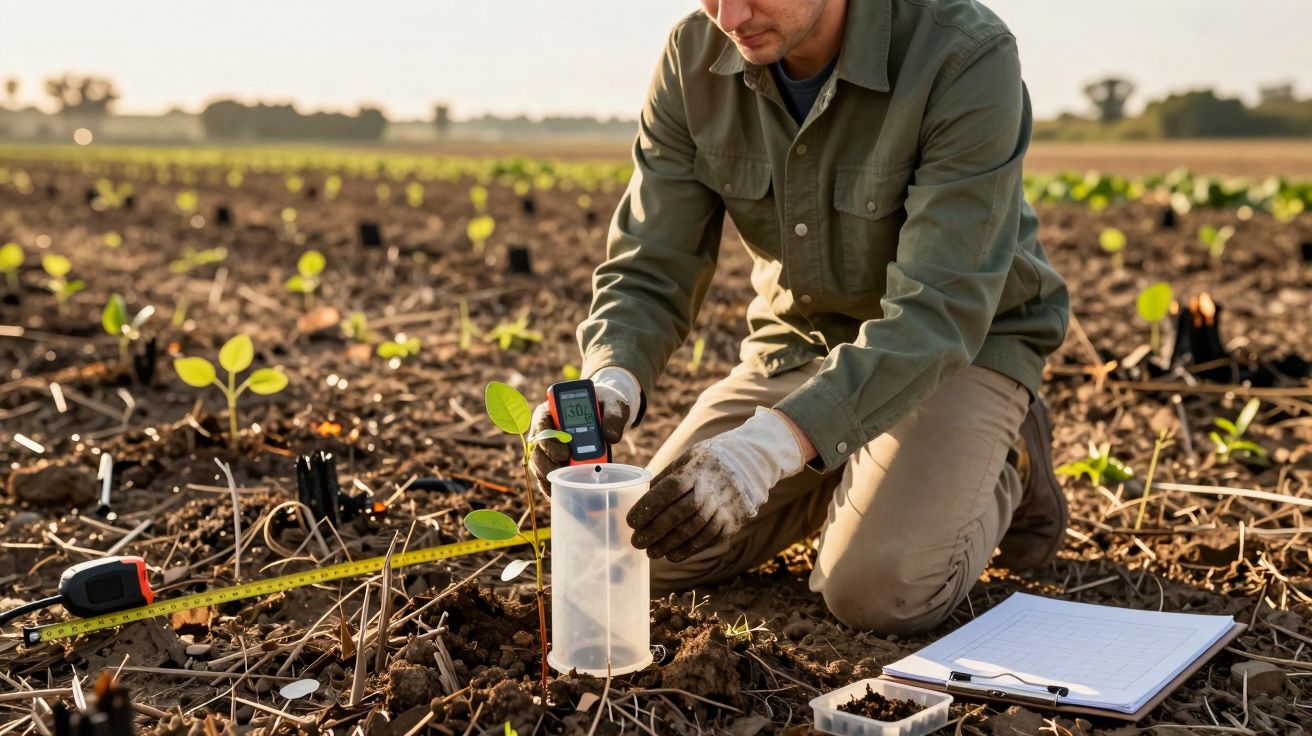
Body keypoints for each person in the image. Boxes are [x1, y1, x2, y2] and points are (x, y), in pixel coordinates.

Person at [530, 0, 1070, 636]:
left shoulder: (962, 52)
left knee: (876, 592)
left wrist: (764, 453)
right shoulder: (692, 57)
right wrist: (611, 378)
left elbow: (941, 309)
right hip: (801, 346)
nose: (731, 15)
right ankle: (839, 453)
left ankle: (1010, 460)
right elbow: (651, 263)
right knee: (634, 550)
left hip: (957, 349)